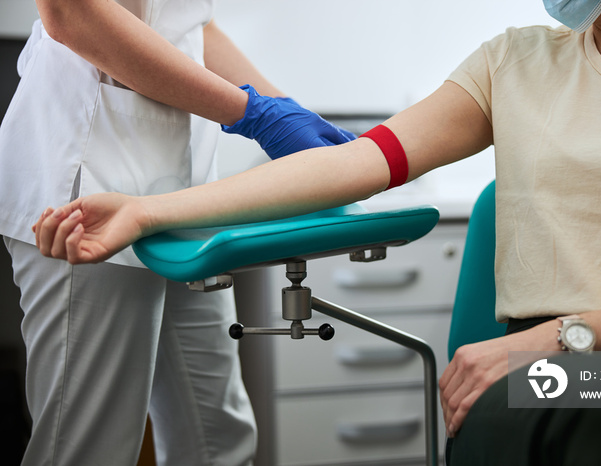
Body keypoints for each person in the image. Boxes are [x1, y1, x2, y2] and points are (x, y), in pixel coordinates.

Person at [32, 0, 601, 464]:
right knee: (508, 418)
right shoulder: (516, 62)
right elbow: (359, 163)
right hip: (536, 367)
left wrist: (553, 341)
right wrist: (149, 212)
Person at [0, 0, 356, 465]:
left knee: (217, 438)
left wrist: (286, 110)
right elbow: (71, 13)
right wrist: (252, 113)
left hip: (183, 201)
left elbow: (191, 21)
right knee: (89, 449)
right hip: (89, 179)